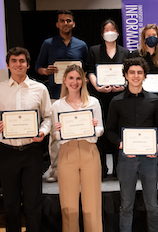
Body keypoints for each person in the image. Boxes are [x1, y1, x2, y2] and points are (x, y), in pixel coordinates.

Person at [0, 47, 52, 232]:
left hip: (31, 151)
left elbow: (48, 117)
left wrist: (42, 131)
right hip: (7, 151)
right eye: (14, 61)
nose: (18, 64)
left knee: (33, 201)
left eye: (22, 61)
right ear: (8, 65)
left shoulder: (40, 89)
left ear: (28, 65)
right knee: (11, 202)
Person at [106, 57, 158, 232]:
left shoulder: (154, 100)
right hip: (126, 158)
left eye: (139, 72)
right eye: (132, 72)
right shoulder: (116, 101)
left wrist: (157, 142)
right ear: (125, 75)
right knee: (126, 206)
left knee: (152, 206)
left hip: (149, 158)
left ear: (145, 75)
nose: (136, 76)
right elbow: (109, 131)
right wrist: (121, 143)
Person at [34, 10, 88, 182]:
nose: (65, 23)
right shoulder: (48, 44)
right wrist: (45, 70)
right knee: (55, 135)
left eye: (69, 20)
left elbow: (86, 69)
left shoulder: (81, 45)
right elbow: (38, 67)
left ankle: (78, 169)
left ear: (74, 23)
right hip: (55, 96)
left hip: (76, 97)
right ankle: (55, 169)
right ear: (57, 24)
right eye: (62, 21)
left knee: (77, 132)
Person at [51, 64, 103, 232]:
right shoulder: (57, 106)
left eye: (78, 78)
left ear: (84, 81)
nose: (75, 82)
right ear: (64, 80)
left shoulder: (93, 102)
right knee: (69, 204)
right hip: (67, 153)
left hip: (89, 151)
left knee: (92, 203)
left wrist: (93, 127)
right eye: (71, 78)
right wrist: (59, 130)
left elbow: (100, 129)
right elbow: (55, 135)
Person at [86, 19, 129, 178]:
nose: (110, 32)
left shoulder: (125, 52)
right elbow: (90, 70)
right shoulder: (94, 50)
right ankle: (101, 167)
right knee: (100, 132)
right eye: (106, 29)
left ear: (117, 32)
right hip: (100, 96)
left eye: (113, 28)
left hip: (119, 97)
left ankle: (119, 168)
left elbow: (128, 72)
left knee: (118, 131)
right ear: (102, 32)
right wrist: (97, 86)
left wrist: (124, 85)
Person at [128, 23, 158, 178]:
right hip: (138, 99)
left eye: (154, 35)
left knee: (154, 132)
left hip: (156, 100)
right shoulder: (135, 55)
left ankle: (155, 166)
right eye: (149, 35)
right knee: (138, 131)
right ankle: (137, 167)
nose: (152, 38)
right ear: (143, 38)